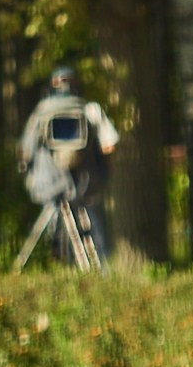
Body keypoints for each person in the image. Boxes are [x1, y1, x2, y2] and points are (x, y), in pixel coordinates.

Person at [19, 66, 120, 259]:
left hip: (50, 185)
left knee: (54, 230)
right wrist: (104, 172)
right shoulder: (91, 109)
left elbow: (25, 150)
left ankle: (52, 259)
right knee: (93, 234)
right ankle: (100, 267)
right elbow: (109, 145)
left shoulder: (41, 112)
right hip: (85, 185)